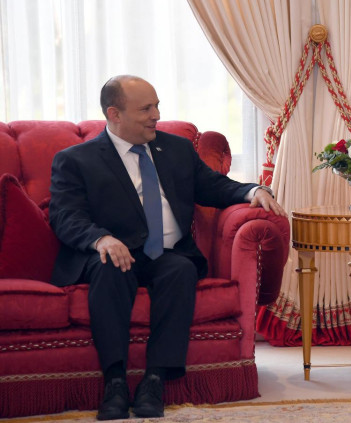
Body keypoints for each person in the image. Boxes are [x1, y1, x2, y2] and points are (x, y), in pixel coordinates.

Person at [48, 75, 287, 420]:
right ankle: (115, 382)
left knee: (181, 269)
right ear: (114, 114)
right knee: (111, 268)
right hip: (113, 252)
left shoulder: (176, 149)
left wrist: (253, 191)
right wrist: (101, 238)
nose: (156, 115)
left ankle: (155, 380)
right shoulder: (76, 160)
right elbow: (65, 216)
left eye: (157, 106)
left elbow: (213, 186)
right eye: (146, 109)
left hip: (167, 253)